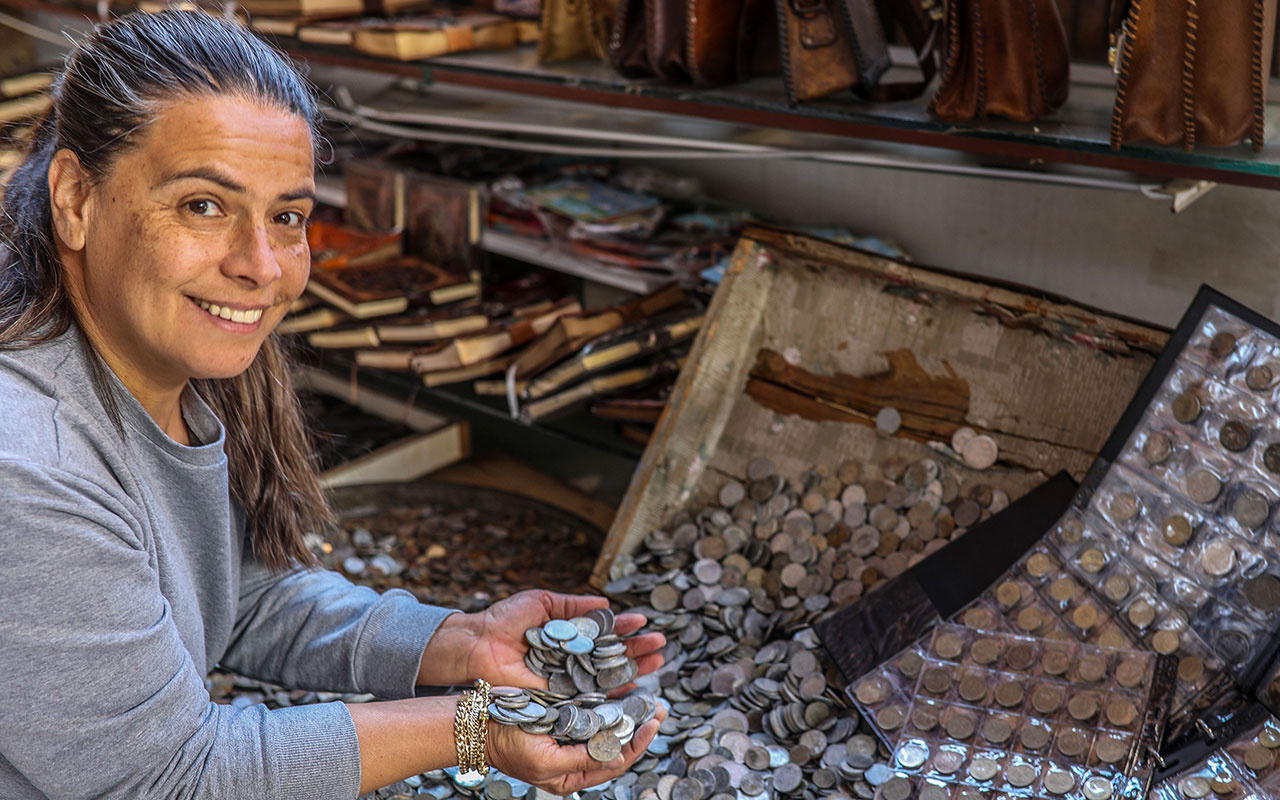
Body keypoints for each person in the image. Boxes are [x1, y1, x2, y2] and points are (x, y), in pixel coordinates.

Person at [0, 10, 665, 799]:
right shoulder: (28, 468)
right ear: (75, 198)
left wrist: (458, 641)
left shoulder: (155, 369)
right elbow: (168, 778)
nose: (260, 265)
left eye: (286, 217)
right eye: (202, 206)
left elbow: (235, 598)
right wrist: (474, 726)